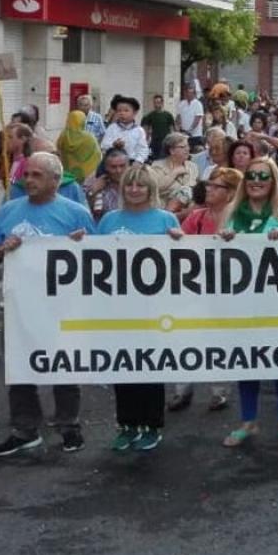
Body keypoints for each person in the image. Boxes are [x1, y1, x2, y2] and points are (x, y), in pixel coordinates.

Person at [0, 153, 95, 456]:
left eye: (36, 175)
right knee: (19, 367)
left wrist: (81, 244)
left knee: (65, 365)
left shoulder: (76, 213)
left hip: (63, 307)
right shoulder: (8, 211)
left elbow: (99, 259)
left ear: (55, 181)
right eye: (27, 174)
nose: (29, 180)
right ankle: (24, 429)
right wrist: (1, 249)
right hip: (19, 305)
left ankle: (69, 426)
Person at [218, 157, 278, 448]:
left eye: (263, 176)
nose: (256, 180)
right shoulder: (231, 211)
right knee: (247, 363)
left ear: (273, 181)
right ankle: (248, 421)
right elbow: (216, 253)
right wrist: (225, 239)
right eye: (251, 175)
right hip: (242, 303)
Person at [99, 165, 181, 451]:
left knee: (150, 365)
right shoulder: (109, 220)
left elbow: (180, 261)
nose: (134, 190)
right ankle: (127, 424)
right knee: (122, 366)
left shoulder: (165, 218)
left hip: (153, 307)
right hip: (118, 307)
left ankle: (152, 424)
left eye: (141, 185)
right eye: (129, 185)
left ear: (151, 189)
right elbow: (93, 261)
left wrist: (178, 242)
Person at [169, 166, 241, 413]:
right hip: (196, 287)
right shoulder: (197, 217)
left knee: (219, 337)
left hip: (227, 290)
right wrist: (177, 237)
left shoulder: (239, 219)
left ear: (230, 193)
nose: (208, 189)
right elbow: (181, 242)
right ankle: (182, 390)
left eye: (216, 186)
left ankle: (219, 391)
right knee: (186, 335)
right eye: (209, 184)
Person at [149, 133, 198, 218]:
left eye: (188, 146)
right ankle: (166, 218)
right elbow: (157, 187)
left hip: (187, 213)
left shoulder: (192, 167)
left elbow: (196, 189)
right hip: (162, 208)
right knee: (185, 190)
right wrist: (174, 173)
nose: (187, 149)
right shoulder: (157, 166)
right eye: (183, 147)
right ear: (171, 150)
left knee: (187, 191)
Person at [100, 95, 150, 164]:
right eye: (119, 111)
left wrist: (138, 161)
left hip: (133, 163)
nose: (122, 113)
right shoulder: (112, 128)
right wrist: (114, 145)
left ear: (135, 113)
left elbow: (143, 149)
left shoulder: (139, 130)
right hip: (114, 163)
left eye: (126, 110)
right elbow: (104, 146)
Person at [86, 148, 131, 221]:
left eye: (122, 166)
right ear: (106, 167)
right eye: (113, 167)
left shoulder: (136, 184)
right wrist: (93, 191)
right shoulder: (94, 182)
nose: (118, 171)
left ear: (128, 166)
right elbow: (86, 212)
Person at [56, 110, 101, 184]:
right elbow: (97, 156)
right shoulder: (89, 138)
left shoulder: (63, 136)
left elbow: (58, 151)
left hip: (67, 175)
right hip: (86, 175)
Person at [141, 95, 175, 161]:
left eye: (158, 102)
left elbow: (172, 129)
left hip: (166, 141)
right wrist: (146, 140)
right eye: (155, 103)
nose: (156, 105)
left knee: (165, 159)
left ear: (162, 103)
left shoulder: (168, 115)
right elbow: (146, 129)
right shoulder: (150, 115)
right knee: (155, 159)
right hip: (155, 141)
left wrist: (172, 141)